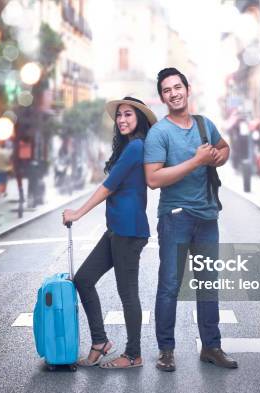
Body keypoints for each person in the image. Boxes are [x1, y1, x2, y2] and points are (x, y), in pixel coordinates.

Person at [144, 67, 237, 371]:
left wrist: (218, 157)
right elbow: (154, 179)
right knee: (170, 285)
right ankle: (166, 351)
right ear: (162, 97)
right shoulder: (159, 133)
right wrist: (196, 160)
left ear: (187, 88)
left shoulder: (203, 124)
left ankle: (211, 347)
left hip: (208, 218)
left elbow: (224, 148)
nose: (174, 93)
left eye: (177, 87)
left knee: (208, 285)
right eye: (167, 90)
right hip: (175, 219)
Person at [62, 96, 157, 369]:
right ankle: (100, 342)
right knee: (83, 279)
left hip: (129, 232)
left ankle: (133, 354)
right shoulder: (128, 148)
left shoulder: (137, 147)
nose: (123, 120)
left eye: (128, 114)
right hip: (117, 230)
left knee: (128, 294)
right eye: (119, 115)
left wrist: (78, 213)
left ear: (139, 118)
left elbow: (109, 186)